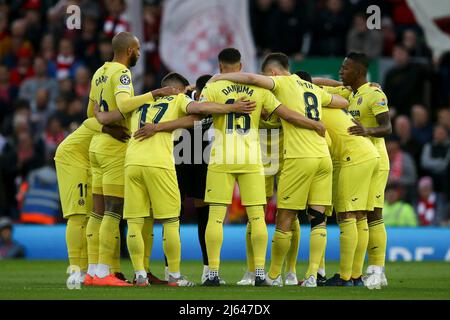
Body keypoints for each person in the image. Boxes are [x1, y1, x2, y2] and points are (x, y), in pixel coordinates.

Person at [96, 71, 256, 286]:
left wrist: (97, 112)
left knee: (134, 222)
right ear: (180, 90)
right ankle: (174, 276)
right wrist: (232, 107)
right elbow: (201, 108)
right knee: (171, 221)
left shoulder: (139, 102)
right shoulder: (179, 99)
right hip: (159, 163)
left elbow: (105, 118)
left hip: (132, 163)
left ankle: (140, 275)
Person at [210, 51, 348, 287]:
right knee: (272, 216)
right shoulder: (296, 89)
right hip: (272, 155)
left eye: (266, 76)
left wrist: (217, 78)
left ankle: (285, 272)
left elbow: (254, 80)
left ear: (271, 73)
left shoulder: (275, 86)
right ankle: (261, 272)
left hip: (289, 156)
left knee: (283, 215)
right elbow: (342, 100)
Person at [87, 31, 175, 287]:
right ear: (129, 50)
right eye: (137, 49)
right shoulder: (122, 73)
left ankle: (93, 270)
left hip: (97, 145)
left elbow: (89, 112)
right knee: (113, 212)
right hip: (115, 149)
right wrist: (154, 94)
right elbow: (125, 105)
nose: (139, 53)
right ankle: (103, 273)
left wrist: (105, 124)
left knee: (98, 213)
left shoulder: (99, 72)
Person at [336, 52, 392, 289]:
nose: (341, 71)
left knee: (374, 214)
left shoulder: (374, 94)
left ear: (359, 72)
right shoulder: (351, 93)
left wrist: (367, 131)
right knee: (361, 214)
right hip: (359, 161)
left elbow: (387, 127)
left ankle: (377, 270)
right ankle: (360, 271)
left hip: (377, 160)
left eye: (345, 68)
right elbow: (316, 83)